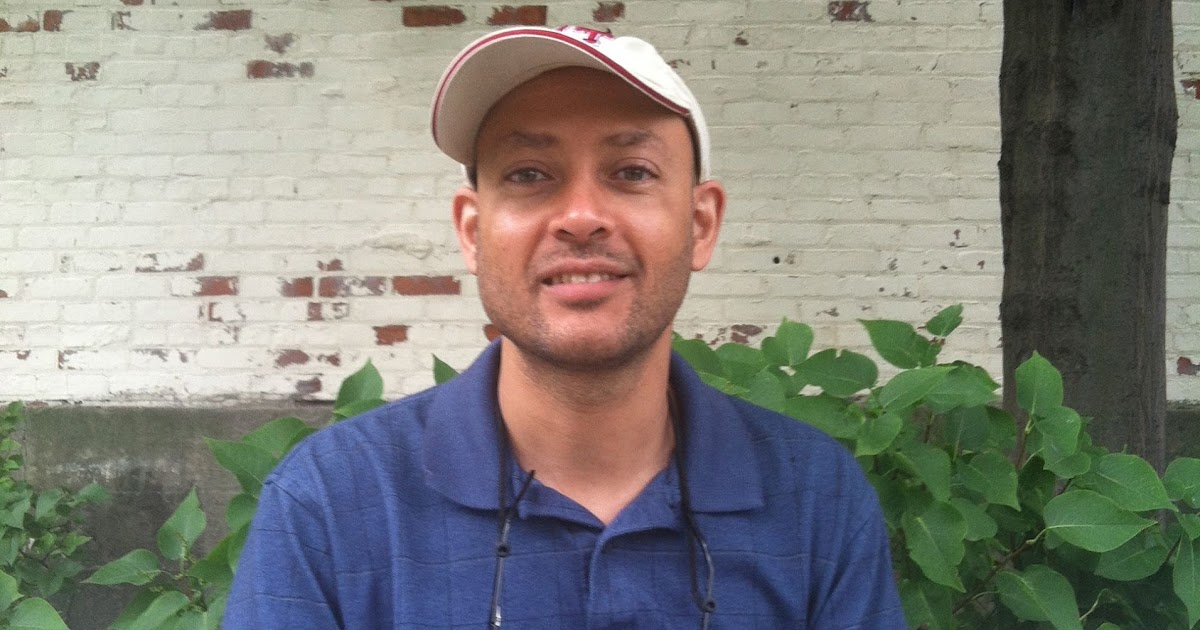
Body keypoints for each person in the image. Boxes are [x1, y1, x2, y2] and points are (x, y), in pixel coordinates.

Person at [225, 25, 906, 629]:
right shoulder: (332, 502)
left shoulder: (816, 498)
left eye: (632, 172)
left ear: (700, 225)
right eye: (529, 174)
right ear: (472, 231)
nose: (581, 217)